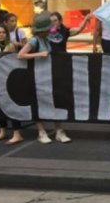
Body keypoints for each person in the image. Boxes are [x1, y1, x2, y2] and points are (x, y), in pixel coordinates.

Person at [17, 12, 71, 144]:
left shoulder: (46, 39)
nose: (49, 31)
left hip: (48, 76)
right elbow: (20, 55)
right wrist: (39, 54)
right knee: (37, 103)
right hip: (37, 76)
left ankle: (59, 130)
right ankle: (41, 132)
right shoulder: (34, 40)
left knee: (55, 101)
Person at [0, 24, 24, 144]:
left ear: (6, 34)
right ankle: (2, 131)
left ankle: (17, 133)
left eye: (3, 32)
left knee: (11, 106)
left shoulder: (10, 45)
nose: (1, 35)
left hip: (9, 80)